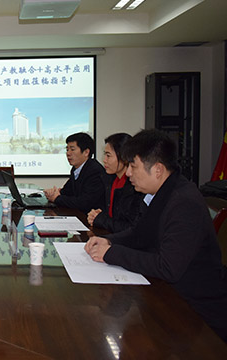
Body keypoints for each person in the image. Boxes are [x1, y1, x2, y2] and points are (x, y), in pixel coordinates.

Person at [85, 129, 227, 341]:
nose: (129, 173)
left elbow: (167, 267)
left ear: (158, 170)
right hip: (167, 296)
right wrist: (108, 240)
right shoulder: (158, 192)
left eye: (133, 166)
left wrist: (110, 253)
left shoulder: (184, 202)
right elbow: (139, 234)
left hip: (196, 314)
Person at [87, 133, 145, 233]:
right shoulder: (110, 180)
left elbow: (130, 227)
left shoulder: (135, 187)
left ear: (124, 156)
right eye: (105, 155)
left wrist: (101, 219)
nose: (104, 160)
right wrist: (96, 215)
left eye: (108, 155)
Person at [44, 132, 105, 214]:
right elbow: (67, 191)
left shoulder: (94, 171)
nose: (68, 153)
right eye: (67, 149)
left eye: (72, 149)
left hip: (90, 218)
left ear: (86, 152)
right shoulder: (76, 169)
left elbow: (84, 203)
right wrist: (53, 193)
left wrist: (56, 198)